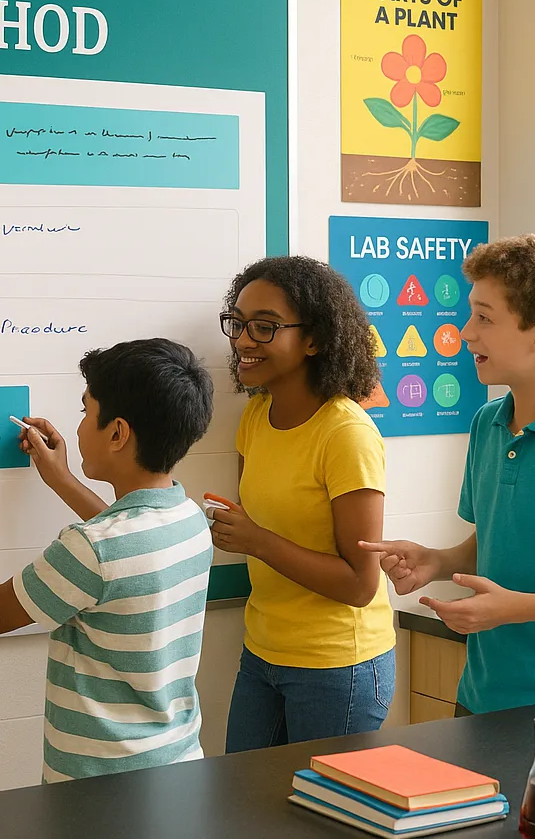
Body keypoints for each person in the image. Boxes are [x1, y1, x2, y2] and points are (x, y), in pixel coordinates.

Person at [0, 338, 214, 782]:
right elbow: (123, 551)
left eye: (85, 412)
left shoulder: (91, 549)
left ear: (117, 433)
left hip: (96, 791)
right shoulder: (186, 518)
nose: (77, 429)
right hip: (176, 766)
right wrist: (61, 478)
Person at [363, 234, 535, 715]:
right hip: (480, 696)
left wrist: (516, 607)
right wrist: (436, 562)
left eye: (484, 318)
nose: (466, 332)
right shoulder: (488, 423)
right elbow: (492, 539)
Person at [211, 255, 395, 751]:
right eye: (239, 323)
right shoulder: (255, 414)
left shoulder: (346, 433)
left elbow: (360, 583)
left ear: (314, 340)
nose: (244, 341)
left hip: (339, 666)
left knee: (321, 824)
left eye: (266, 328)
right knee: (244, 807)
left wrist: (257, 541)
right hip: (263, 651)